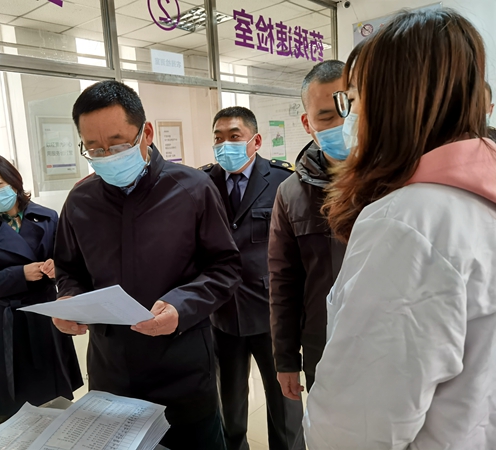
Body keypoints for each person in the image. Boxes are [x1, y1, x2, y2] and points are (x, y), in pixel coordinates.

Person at [304, 9, 496, 449]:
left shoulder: (407, 223)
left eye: (354, 98)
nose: (351, 116)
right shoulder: (480, 200)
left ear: (392, 101)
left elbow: (354, 430)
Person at [52, 81, 241, 450]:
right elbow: (68, 269)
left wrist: (181, 306)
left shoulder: (193, 189)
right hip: (111, 375)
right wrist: (69, 299)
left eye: (118, 145)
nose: (107, 156)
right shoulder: (80, 200)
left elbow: (226, 267)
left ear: (146, 133)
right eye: (94, 149)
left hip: (182, 373)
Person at [199, 107, 303, 450]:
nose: (224, 145)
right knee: (229, 403)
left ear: (255, 141)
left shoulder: (282, 180)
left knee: (284, 401)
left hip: (270, 311)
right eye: (218, 138)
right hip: (222, 312)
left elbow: (294, 250)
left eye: (234, 136)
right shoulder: (203, 183)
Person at [0, 154, 83, 426]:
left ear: (13, 182)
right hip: (4, 326)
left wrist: (56, 267)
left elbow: (69, 264)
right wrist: (20, 274)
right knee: (11, 418)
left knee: (56, 411)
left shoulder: (47, 217)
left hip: (46, 319)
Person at [268, 60, 348, 404]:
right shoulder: (290, 193)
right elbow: (284, 282)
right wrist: (286, 358)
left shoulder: (396, 177)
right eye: (327, 118)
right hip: (322, 345)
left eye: (349, 110)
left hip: (389, 342)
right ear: (307, 123)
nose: (342, 125)